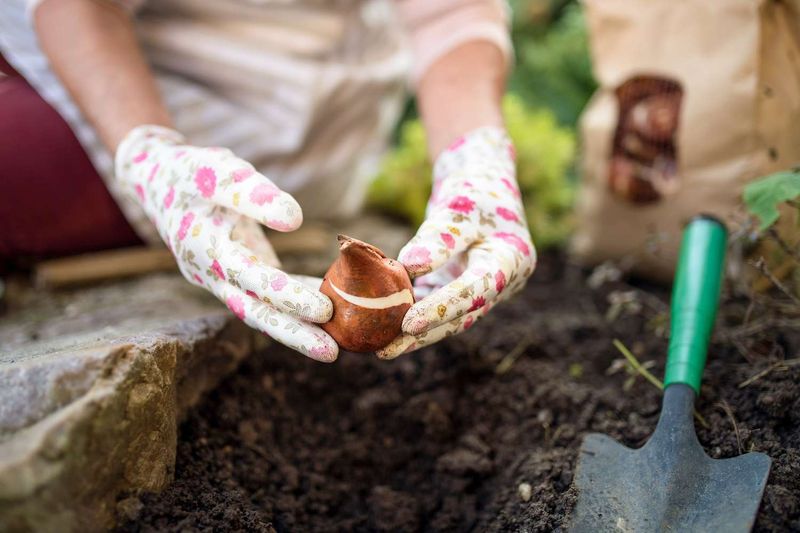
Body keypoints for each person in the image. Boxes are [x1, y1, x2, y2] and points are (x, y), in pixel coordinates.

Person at [0, 0, 535, 361]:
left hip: (278, 102)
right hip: (117, 71)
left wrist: (477, 158)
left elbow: (451, 12)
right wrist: (147, 151)